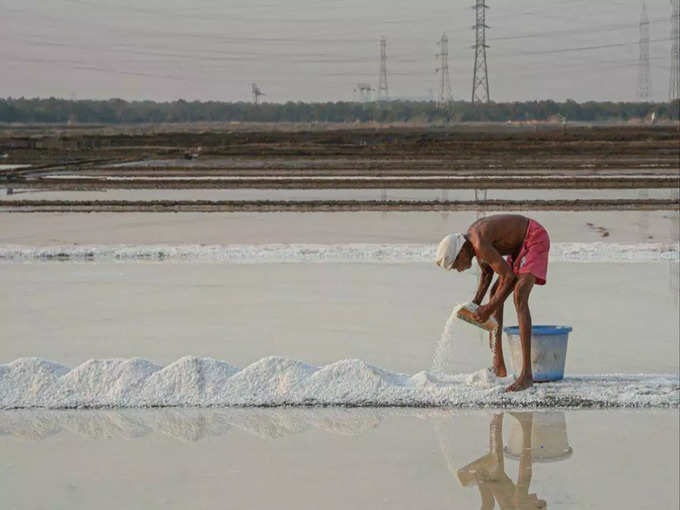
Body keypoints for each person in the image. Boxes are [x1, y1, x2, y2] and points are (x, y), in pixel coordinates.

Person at [435, 214, 550, 392]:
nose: (458, 270)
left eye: (456, 264)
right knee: (495, 293)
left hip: (533, 237)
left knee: (519, 296)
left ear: (461, 252)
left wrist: (488, 309)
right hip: (517, 248)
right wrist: (475, 305)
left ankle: (527, 375)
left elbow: (509, 278)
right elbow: (487, 274)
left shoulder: (479, 243)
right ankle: (498, 365)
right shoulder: (474, 244)